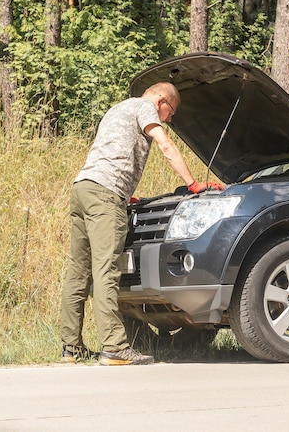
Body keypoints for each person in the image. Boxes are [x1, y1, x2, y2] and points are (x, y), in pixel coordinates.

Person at [60, 82, 223, 365]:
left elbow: (111, 153)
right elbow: (165, 145)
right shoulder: (144, 108)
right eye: (171, 111)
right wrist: (193, 184)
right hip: (104, 195)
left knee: (78, 273)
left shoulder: (117, 109)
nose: (169, 118)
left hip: (83, 188)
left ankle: (70, 348)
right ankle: (115, 348)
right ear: (161, 101)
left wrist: (123, 193)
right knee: (106, 272)